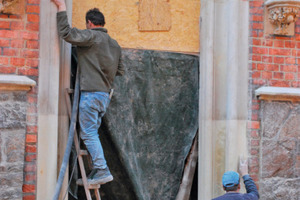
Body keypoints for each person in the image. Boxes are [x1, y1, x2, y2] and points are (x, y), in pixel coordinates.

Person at [51, 0, 124, 185]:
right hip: (104, 97)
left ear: (90, 23)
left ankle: (102, 170)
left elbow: (66, 33)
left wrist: (61, 7)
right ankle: (95, 175)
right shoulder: (114, 44)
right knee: (92, 134)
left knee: (89, 134)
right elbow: (121, 70)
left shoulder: (91, 36)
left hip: (91, 95)